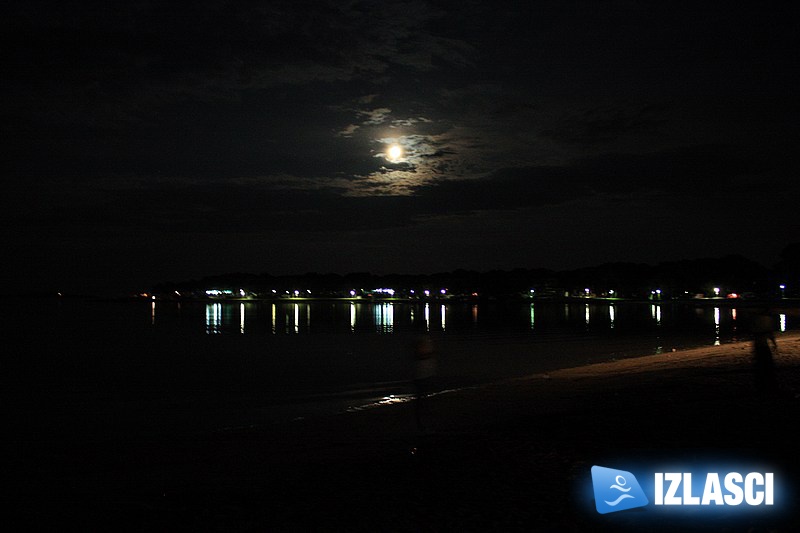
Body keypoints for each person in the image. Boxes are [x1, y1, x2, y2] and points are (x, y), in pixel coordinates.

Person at [750, 309, 778, 396]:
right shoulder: (767, 319)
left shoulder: (757, 319)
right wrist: (774, 343)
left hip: (759, 344)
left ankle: (762, 383)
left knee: (760, 362)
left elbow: (754, 332)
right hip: (763, 344)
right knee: (767, 362)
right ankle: (767, 383)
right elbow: (770, 333)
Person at [412, 335, 437, 431]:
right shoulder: (426, 343)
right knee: (422, 397)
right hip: (422, 374)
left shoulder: (425, 342)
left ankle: (422, 418)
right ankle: (422, 417)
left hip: (424, 374)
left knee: (423, 397)